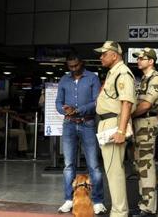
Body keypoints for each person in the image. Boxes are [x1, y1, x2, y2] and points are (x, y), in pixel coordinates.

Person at [56, 52, 106, 215]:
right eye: (70, 66)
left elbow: (96, 101)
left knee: (93, 165)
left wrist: (77, 110)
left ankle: (98, 201)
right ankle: (69, 200)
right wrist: (64, 110)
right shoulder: (64, 80)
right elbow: (58, 102)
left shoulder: (92, 78)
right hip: (69, 124)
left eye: (76, 65)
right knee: (69, 165)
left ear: (82, 63)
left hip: (88, 123)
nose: (74, 69)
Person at [94, 41, 136, 217]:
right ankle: (118, 210)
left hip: (113, 123)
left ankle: (119, 212)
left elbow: (126, 102)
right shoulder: (113, 73)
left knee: (115, 171)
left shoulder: (122, 73)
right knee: (111, 170)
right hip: (107, 122)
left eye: (104, 53)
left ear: (115, 55)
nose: (101, 57)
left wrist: (121, 130)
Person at [131, 48, 158, 217]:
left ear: (151, 61)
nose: (138, 61)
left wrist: (127, 115)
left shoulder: (156, 79)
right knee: (140, 164)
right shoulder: (144, 79)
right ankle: (144, 203)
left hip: (147, 123)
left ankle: (148, 207)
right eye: (138, 58)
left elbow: (145, 105)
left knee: (146, 164)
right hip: (140, 123)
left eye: (142, 58)